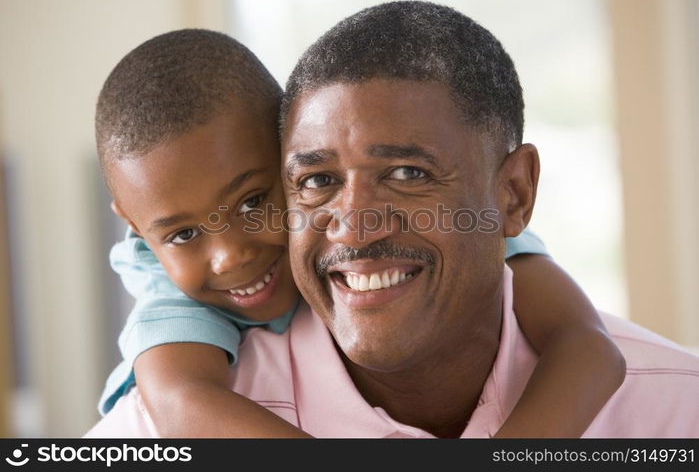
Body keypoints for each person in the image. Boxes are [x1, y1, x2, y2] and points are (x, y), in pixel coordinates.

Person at [87, 22, 629, 438]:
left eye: (254, 201)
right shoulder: (168, 294)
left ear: (289, 158)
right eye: (182, 235)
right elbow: (182, 405)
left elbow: (588, 347)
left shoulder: (462, 225)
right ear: (137, 230)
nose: (229, 255)